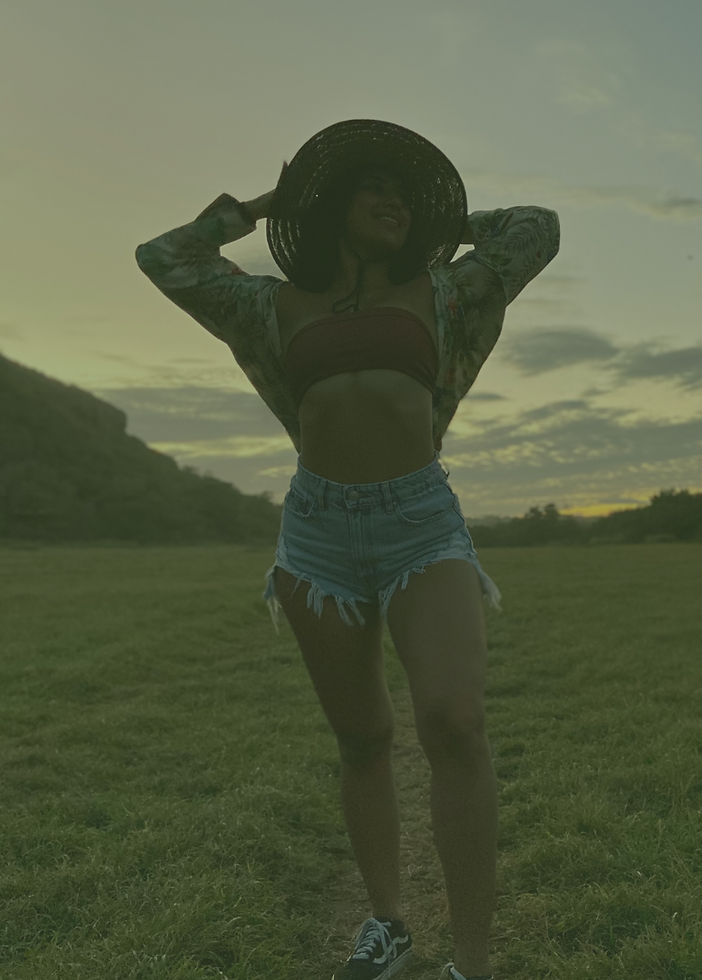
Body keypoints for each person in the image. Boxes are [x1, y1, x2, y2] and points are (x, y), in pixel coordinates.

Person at [135, 119, 560, 980]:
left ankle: (472, 966)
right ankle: (389, 926)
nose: (394, 202)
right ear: (329, 208)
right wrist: (254, 210)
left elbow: (537, 229)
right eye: (376, 190)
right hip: (317, 534)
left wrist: (451, 221)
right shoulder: (268, 305)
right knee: (363, 738)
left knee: (456, 721)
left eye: (405, 196)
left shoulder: (446, 291)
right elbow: (164, 256)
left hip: (419, 521)